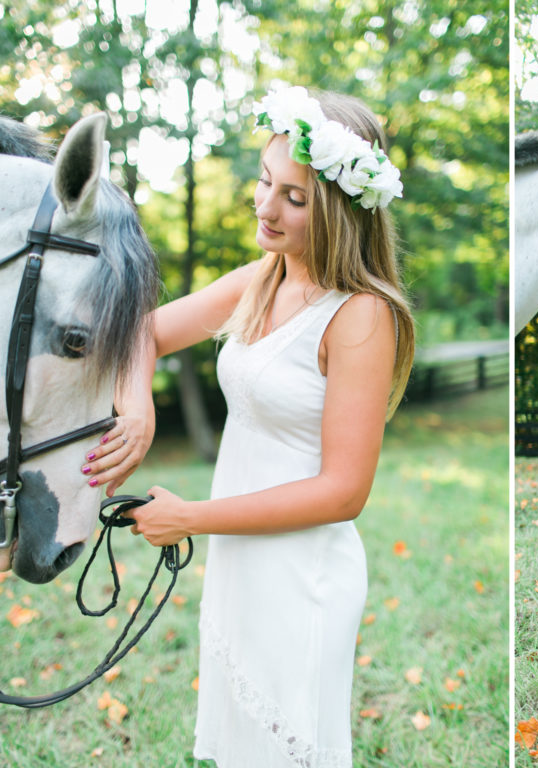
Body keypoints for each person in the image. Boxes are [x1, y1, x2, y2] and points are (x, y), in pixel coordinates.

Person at [80, 85, 414, 767]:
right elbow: (138, 334)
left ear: (341, 208)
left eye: (294, 197)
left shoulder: (360, 316)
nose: (266, 206)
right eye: (265, 182)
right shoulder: (261, 279)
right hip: (242, 560)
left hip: (304, 571)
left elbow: (344, 492)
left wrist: (192, 516)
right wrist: (137, 407)